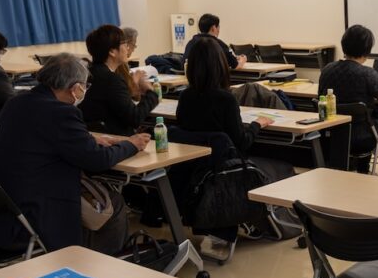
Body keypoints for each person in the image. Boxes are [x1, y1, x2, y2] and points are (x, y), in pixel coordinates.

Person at [0, 53, 149, 252]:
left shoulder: (17, 102)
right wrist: (132, 144)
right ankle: (101, 263)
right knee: (111, 203)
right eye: (84, 86)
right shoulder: (61, 113)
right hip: (31, 215)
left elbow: (41, 138)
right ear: (75, 88)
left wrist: (88, 139)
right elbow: (98, 160)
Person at [176, 37, 275, 256]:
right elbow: (242, 143)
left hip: (195, 172)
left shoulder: (185, 97)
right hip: (224, 172)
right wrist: (257, 125)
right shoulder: (226, 100)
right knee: (278, 165)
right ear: (220, 66)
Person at [318, 24, 378, 180]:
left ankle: (363, 171)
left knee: (365, 119)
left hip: (331, 137)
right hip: (362, 139)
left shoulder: (327, 70)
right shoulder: (367, 74)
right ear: (367, 51)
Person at [80, 24, 159, 135]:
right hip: (114, 140)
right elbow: (135, 119)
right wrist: (151, 93)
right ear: (112, 51)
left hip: (96, 136)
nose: (127, 48)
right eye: (124, 44)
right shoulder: (112, 80)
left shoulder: (88, 73)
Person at [182, 13, 247, 70]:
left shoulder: (191, 43)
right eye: (218, 26)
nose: (219, 29)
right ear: (213, 28)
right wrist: (243, 60)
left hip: (193, 82)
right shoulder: (218, 44)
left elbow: (184, 64)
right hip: (213, 83)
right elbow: (236, 66)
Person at [116, 26, 141, 101]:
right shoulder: (120, 64)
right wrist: (136, 81)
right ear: (126, 44)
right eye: (134, 45)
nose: (133, 49)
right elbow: (133, 94)